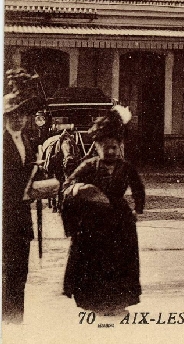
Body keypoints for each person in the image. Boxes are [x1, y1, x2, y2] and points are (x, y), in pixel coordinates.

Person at [61, 105, 145, 316]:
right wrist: (80, 188)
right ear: (97, 146)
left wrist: (138, 210)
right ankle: (94, 302)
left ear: (120, 146)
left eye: (114, 147)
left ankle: (118, 301)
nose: (110, 151)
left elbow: (138, 189)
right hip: (93, 224)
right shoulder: (88, 166)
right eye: (105, 147)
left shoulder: (126, 168)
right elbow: (67, 186)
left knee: (119, 262)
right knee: (95, 262)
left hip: (120, 223)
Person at [2, 68, 45, 324]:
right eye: (11, 115)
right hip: (4, 217)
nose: (17, 119)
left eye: (21, 115)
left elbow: (30, 174)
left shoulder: (27, 141)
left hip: (21, 219)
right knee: (7, 274)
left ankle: (15, 321)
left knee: (20, 274)